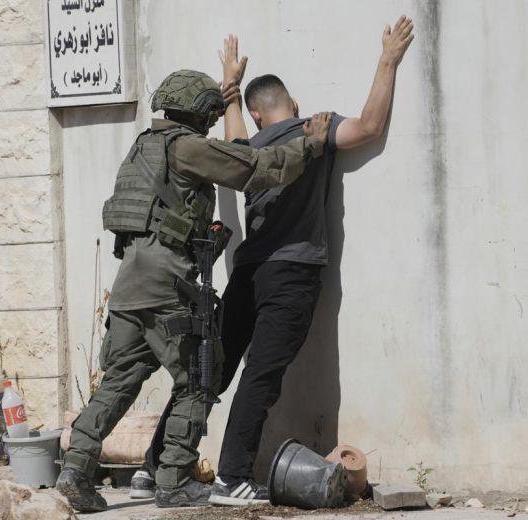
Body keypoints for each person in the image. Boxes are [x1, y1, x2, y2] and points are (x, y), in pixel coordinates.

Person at [131, 17, 415, 506]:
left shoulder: (249, 151)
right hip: (291, 273)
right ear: (294, 103)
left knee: (208, 373)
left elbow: (236, 136)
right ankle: (232, 477)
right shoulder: (314, 129)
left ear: (258, 115)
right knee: (260, 375)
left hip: (247, 274)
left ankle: (156, 467)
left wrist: (230, 88)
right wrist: (388, 59)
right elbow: (370, 126)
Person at [55, 69, 331, 513]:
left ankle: (75, 471)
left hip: (129, 286)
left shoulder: (143, 147)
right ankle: (175, 479)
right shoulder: (186, 147)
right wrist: (310, 144)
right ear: (198, 113)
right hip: (166, 285)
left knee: (119, 381)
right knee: (200, 377)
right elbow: (254, 168)